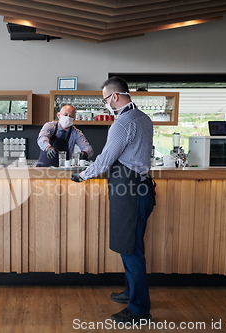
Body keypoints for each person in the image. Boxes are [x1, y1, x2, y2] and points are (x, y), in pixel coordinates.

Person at [71, 77, 156, 324]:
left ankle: (140, 309)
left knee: (132, 251)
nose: (106, 104)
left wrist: (82, 176)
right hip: (142, 190)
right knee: (132, 245)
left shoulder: (121, 124)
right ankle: (131, 292)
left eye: (105, 99)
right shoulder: (143, 118)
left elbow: (105, 161)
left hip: (130, 193)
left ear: (115, 97)